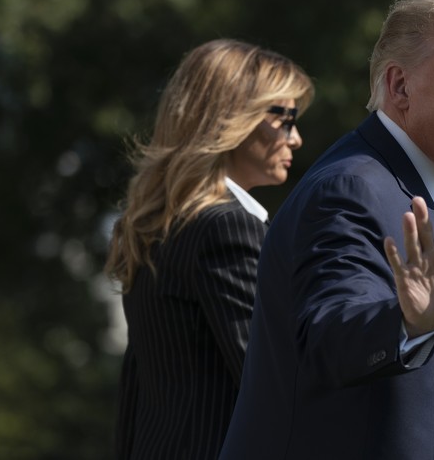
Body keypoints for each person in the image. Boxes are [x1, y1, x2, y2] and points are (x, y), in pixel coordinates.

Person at [219, 0, 434, 460]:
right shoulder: (350, 189)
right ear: (399, 87)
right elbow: (330, 335)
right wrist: (407, 322)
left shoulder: (429, 191)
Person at [104, 38, 315, 459]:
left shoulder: (152, 227)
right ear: (231, 119)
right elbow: (278, 384)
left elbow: (136, 392)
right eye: (284, 118)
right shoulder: (227, 228)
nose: (297, 139)